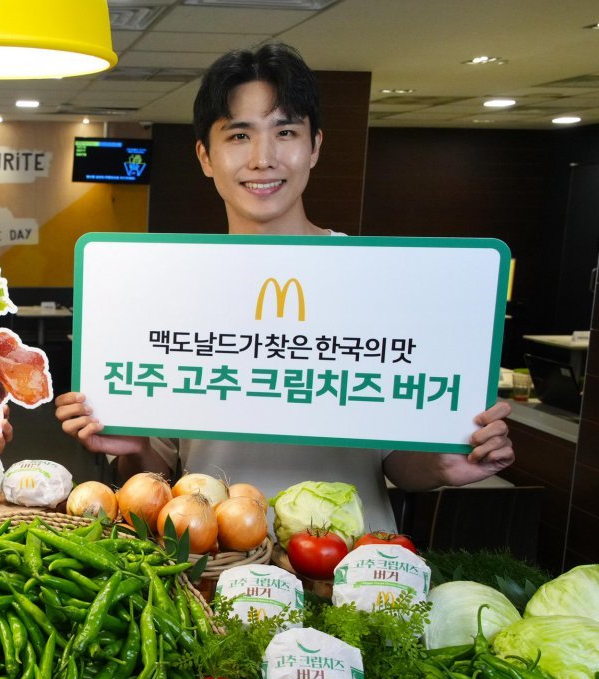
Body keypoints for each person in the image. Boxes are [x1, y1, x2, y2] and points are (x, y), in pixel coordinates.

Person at [55, 43, 513, 529]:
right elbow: (158, 473)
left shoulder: (378, 280)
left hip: (352, 564)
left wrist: (444, 463)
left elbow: (397, 459)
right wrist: (133, 447)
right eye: (238, 135)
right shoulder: (170, 285)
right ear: (205, 156)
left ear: (314, 146)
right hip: (212, 564)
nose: (263, 158)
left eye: (286, 131)